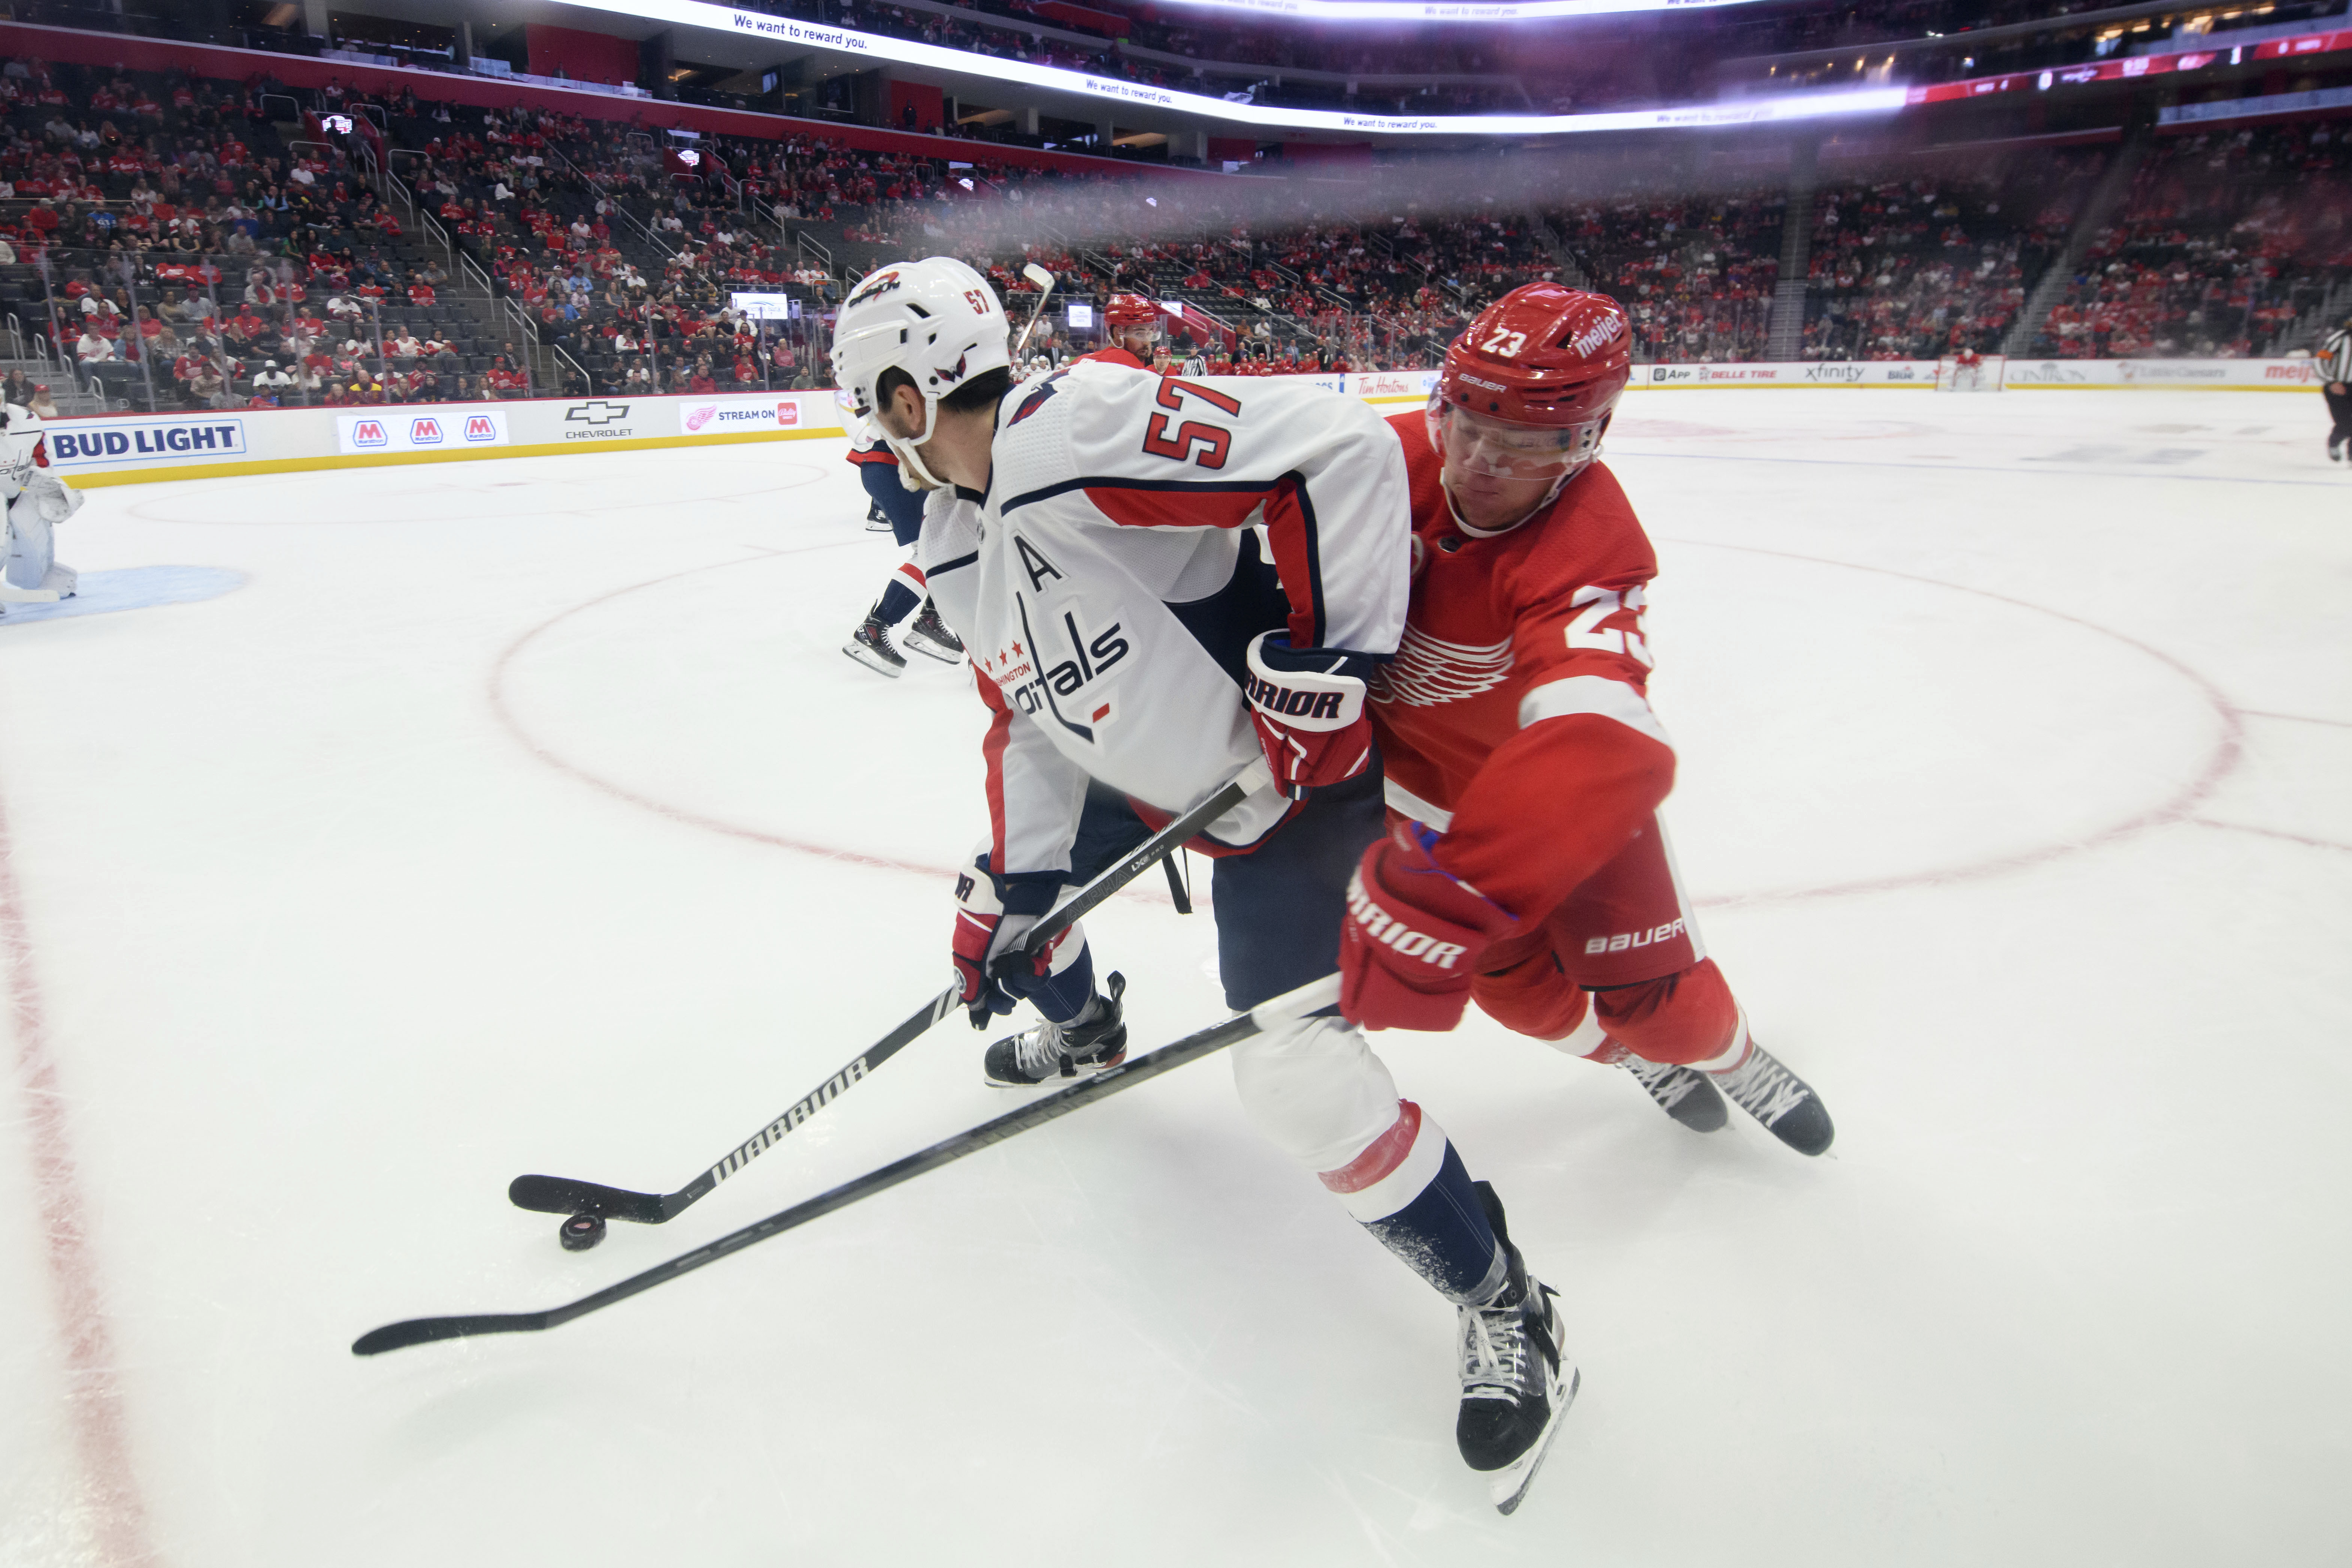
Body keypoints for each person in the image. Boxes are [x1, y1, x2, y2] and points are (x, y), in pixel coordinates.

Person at [832, 257, 1573, 1509]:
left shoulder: (1074, 424)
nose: (868, 446)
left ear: (906, 401)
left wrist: (1327, 664)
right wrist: (1019, 887)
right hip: (1153, 774)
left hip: (1282, 782)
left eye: (868, 413)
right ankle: (1086, 1028)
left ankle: (1504, 1295)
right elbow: (1023, 717)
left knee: (1291, 1071)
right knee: (999, 900)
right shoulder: (958, 531)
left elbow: (1332, 449)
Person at [1343, 282, 1834, 1156]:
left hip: (1562, 805)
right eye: (1467, 422)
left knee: (1665, 1010)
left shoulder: (1592, 542)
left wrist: (1471, 880)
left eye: (1527, 444)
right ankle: (1629, 1060)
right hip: (1420, 796)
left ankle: (1728, 1055)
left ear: (1588, 443)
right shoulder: (1374, 454)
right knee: (1518, 997)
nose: (1481, 460)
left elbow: (1601, 724)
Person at [838, 420, 965, 677]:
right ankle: (875, 629)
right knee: (933, 551)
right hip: (897, 468)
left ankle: (929, 618)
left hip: (889, 466)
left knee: (949, 547)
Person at [0, 397, 84, 614]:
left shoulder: (26, 421)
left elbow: (40, 461)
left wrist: (52, 488)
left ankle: (43, 576)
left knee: (30, 524)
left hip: (13, 492)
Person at [1085, 293, 1160, 370]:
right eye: (1139, 334)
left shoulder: (1082, 362)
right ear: (1117, 333)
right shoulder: (1127, 365)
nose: (1147, 343)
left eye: (1149, 333)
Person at [2322, 314, 2352, 461]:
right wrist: (2331, 382)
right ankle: (2334, 441)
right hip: (2337, 388)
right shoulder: (2339, 339)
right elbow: (2320, 360)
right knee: (2347, 423)